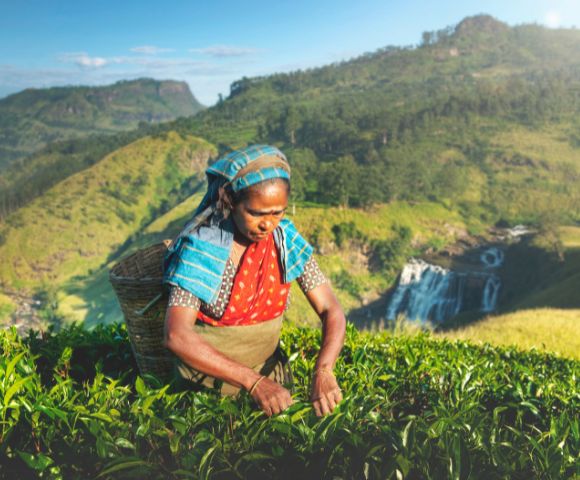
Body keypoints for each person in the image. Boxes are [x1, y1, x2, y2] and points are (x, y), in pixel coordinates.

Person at [162, 145, 345, 417]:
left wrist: (324, 370)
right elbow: (176, 335)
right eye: (256, 213)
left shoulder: (286, 240)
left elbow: (332, 310)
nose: (267, 224)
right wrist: (253, 382)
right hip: (204, 391)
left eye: (277, 213)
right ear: (230, 201)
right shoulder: (202, 249)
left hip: (273, 387)